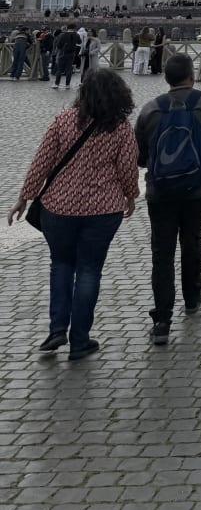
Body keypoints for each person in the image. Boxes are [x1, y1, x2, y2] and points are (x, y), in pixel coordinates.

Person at [7, 69, 138, 359]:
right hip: (104, 210)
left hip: (59, 207)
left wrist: (23, 197)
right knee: (90, 270)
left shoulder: (63, 121)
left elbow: (41, 161)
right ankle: (80, 340)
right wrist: (131, 195)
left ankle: (56, 330)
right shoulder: (121, 127)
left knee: (61, 264)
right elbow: (128, 169)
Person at [135, 52, 201, 345]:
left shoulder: (150, 110)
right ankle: (192, 296)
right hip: (197, 189)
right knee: (192, 241)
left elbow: (139, 155)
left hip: (160, 192)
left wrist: (153, 165)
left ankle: (162, 321)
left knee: (162, 253)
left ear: (165, 78)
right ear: (192, 76)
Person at [52, 23, 79, 89]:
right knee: (69, 69)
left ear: (67, 28)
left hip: (63, 53)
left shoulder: (62, 35)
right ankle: (67, 84)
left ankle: (57, 84)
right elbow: (79, 42)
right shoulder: (76, 35)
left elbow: (58, 45)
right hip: (72, 54)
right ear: (74, 28)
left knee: (60, 69)